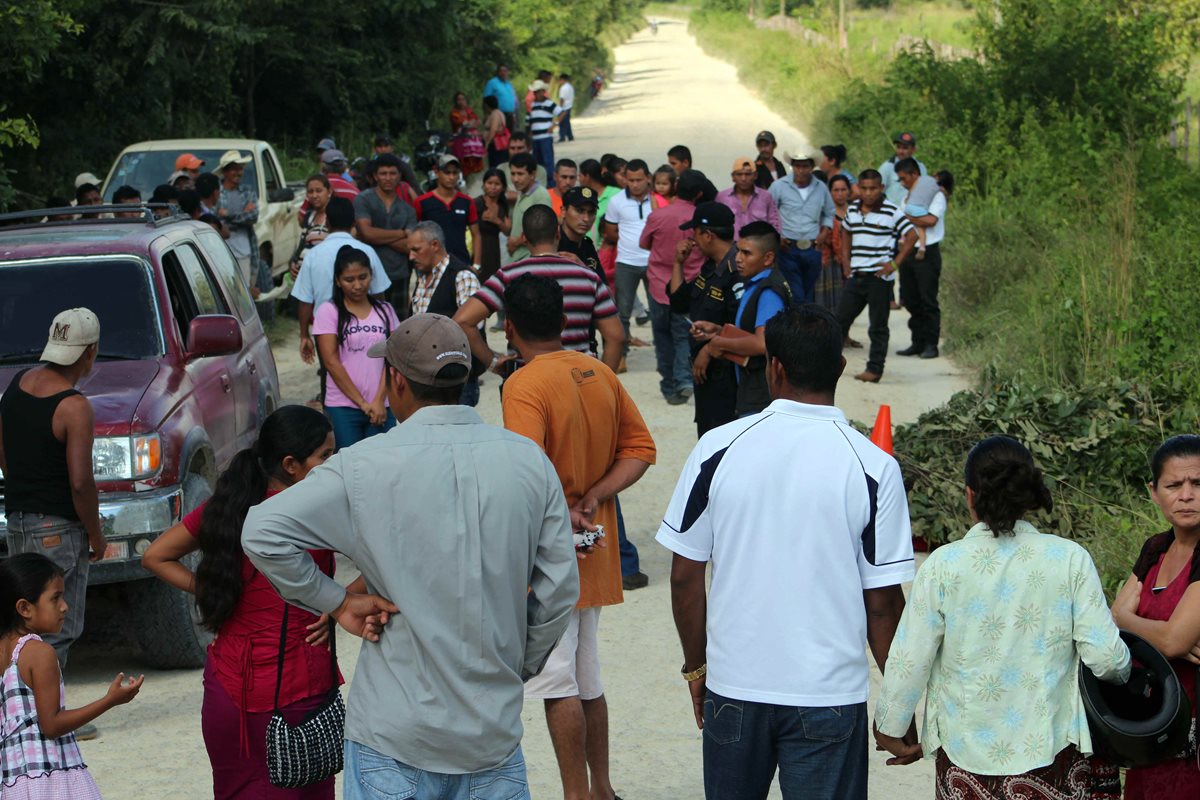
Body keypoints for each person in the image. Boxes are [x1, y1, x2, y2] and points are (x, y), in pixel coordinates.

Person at [241, 314, 580, 800]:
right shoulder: (527, 460)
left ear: (396, 379)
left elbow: (261, 530)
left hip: (395, 732)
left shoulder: (362, 464)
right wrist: (516, 663)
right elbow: (560, 589)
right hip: (491, 735)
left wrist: (335, 601)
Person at [659, 303, 916, 800]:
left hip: (733, 690)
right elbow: (883, 604)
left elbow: (684, 577)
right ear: (841, 368)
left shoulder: (717, 448)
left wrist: (698, 670)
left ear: (773, 367)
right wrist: (900, 706)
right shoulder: (872, 466)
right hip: (829, 698)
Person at [875, 435, 1132, 798]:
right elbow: (1106, 660)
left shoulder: (943, 566)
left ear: (969, 496)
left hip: (965, 760)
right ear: (1029, 493)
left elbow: (909, 659)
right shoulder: (1070, 559)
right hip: (1052, 753)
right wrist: (1127, 666)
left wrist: (890, 724)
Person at [140, 406, 350, 798]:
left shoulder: (229, 506)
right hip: (296, 693)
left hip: (228, 691)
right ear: (291, 464)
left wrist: (215, 590)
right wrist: (342, 603)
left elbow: (155, 556)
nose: (333, 463)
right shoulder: (315, 514)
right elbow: (391, 556)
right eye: (325, 455)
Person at [501, 273, 656, 800]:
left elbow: (526, 471)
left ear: (507, 327)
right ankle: (603, 789)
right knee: (586, 678)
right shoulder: (597, 370)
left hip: (552, 552)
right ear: (568, 322)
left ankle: (575, 794)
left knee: (555, 682)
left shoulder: (522, 384)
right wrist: (593, 496)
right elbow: (640, 449)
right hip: (596, 546)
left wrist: (564, 508)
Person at [0, 307, 104, 678]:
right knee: (58, 626)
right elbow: (80, 482)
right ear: (90, 351)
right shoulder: (74, 407)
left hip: (18, 522)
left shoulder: (16, 385)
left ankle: (17, 711)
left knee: (22, 623)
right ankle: (49, 717)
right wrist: (95, 533)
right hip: (58, 529)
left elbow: (5, 456)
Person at [0, 553, 143, 799]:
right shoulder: (39, 653)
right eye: (55, 598)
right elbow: (52, 725)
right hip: (48, 780)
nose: (65, 606)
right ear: (24, 608)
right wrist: (109, 700)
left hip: (12, 781)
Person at [1109, 434, 1200, 798]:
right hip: (1150, 731)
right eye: (1174, 485)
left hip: (1192, 743)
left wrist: (1129, 621)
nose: (1187, 495)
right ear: (1154, 491)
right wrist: (1160, 635)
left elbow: (1172, 640)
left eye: (1198, 483)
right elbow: (1114, 618)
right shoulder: (1156, 548)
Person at [454, 204, 625, 376]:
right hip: (579, 377)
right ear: (558, 233)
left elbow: (462, 321)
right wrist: (602, 380)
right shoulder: (588, 277)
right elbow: (616, 337)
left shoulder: (507, 276)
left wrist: (492, 361)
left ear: (524, 238)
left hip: (525, 378)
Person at [690, 221, 792, 417]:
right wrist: (719, 331)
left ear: (768, 257)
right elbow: (753, 332)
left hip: (761, 392)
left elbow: (762, 342)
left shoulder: (769, 291)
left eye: (746, 253)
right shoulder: (755, 283)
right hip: (750, 386)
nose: (738, 258)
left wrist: (715, 345)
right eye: (738, 251)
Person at [312, 247, 401, 448]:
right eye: (349, 280)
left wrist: (379, 400)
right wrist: (363, 404)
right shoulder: (329, 311)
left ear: (371, 275)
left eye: (363, 277)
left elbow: (394, 358)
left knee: (382, 466)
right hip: (343, 407)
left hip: (383, 405)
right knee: (349, 468)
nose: (358, 285)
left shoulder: (385, 311)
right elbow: (331, 362)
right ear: (337, 281)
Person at [836, 169, 917, 383]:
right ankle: (828, 365)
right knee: (839, 321)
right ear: (859, 189)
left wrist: (894, 263)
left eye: (873, 188)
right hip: (856, 275)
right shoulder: (852, 209)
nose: (868, 193)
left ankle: (874, 369)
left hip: (879, 278)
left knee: (878, 326)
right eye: (864, 188)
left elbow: (912, 235)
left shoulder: (891, 211)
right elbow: (846, 232)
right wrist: (846, 260)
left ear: (881, 188)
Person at [292, 198, 391, 372]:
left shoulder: (313, 255)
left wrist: (304, 335)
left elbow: (305, 300)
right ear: (354, 222)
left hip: (326, 330)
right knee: (366, 373)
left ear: (327, 222)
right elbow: (378, 294)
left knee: (331, 375)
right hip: (364, 327)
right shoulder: (367, 251)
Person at [670, 202, 741, 436]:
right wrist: (678, 263)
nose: (692, 240)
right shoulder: (711, 267)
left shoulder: (738, 270)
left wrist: (709, 348)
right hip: (706, 374)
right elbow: (680, 302)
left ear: (708, 235)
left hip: (728, 377)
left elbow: (744, 329)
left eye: (695, 234)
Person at [640, 170, 707, 405]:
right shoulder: (698, 218)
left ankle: (668, 384)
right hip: (687, 287)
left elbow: (643, 243)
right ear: (699, 193)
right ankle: (683, 380)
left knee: (661, 335)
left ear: (676, 186)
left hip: (658, 284)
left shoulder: (658, 215)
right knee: (682, 335)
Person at [409, 221, 482, 407]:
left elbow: (472, 327)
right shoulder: (422, 276)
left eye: (416, 250)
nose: (411, 256)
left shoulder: (462, 276)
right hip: (425, 379)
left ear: (435, 245)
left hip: (455, 383)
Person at [895, 161, 949, 360]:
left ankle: (931, 344)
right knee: (910, 298)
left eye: (904, 178)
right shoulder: (906, 197)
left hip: (927, 253)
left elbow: (930, 220)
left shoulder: (937, 195)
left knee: (928, 299)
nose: (902, 183)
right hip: (909, 250)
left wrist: (907, 218)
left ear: (915, 174)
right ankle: (917, 341)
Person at [354, 152, 417, 314]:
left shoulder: (407, 210)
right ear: (375, 176)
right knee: (371, 327)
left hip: (399, 274)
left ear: (399, 176)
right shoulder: (364, 200)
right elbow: (367, 234)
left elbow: (410, 247)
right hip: (368, 275)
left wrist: (374, 236)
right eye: (383, 173)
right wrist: (402, 233)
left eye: (392, 173)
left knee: (399, 329)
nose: (388, 178)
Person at [603, 159, 655, 356]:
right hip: (626, 262)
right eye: (630, 180)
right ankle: (621, 353)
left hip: (653, 263)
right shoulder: (616, 201)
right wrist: (631, 244)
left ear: (648, 178)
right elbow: (610, 232)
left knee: (658, 309)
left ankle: (663, 352)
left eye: (639, 180)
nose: (634, 184)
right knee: (622, 312)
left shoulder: (657, 199)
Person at [768, 150, 834, 301]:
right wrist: (778, 237)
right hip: (788, 248)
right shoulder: (779, 186)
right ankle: (797, 322)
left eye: (805, 166)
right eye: (797, 166)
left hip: (812, 247)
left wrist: (823, 234)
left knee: (809, 291)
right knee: (795, 292)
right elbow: (770, 213)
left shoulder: (821, 188)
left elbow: (829, 212)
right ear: (792, 167)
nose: (801, 170)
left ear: (811, 167)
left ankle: (805, 322)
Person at [414, 154, 481, 266]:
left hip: (461, 263)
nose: (451, 177)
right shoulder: (422, 202)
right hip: (431, 265)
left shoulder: (466, 202)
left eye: (455, 173)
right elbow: (414, 233)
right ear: (437, 172)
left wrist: (477, 265)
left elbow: (476, 234)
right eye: (447, 172)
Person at [215, 149, 259, 287]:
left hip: (243, 249)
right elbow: (215, 219)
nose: (238, 173)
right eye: (234, 169)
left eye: (240, 169)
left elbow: (253, 216)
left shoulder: (248, 191)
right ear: (225, 172)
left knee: (244, 290)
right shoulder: (217, 192)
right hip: (220, 248)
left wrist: (227, 215)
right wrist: (242, 213)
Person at [505, 153, 553, 263]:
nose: (515, 179)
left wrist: (515, 242)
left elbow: (543, 231)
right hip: (517, 258)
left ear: (533, 174)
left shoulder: (540, 196)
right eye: (513, 174)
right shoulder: (522, 193)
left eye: (520, 174)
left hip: (530, 259)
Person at [816, 173, 852, 320]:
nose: (840, 194)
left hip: (851, 259)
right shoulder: (825, 213)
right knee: (829, 298)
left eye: (843, 190)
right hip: (830, 262)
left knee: (848, 300)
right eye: (836, 190)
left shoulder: (854, 211)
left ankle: (844, 333)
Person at [716, 155, 781, 234]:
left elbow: (774, 224)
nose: (743, 178)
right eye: (739, 174)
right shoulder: (722, 197)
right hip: (730, 245)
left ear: (755, 175)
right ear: (733, 177)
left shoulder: (766, 197)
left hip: (759, 244)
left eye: (747, 174)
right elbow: (716, 225)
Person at [289, 174, 332, 281]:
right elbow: (302, 244)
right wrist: (293, 263)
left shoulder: (334, 216)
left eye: (319, 191)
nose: (314, 195)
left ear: (329, 192)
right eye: (310, 191)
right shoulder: (309, 216)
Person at [475, 168, 511, 282]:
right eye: (489, 183)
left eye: (497, 184)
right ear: (484, 184)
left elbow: (507, 230)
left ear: (503, 187)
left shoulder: (502, 205)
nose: (493, 187)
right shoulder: (477, 203)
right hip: (478, 249)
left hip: (494, 251)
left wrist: (496, 220)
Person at [878, 131, 927, 206]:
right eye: (898, 147)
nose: (901, 151)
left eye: (905, 148)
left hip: (914, 212)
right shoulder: (887, 167)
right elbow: (878, 191)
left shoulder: (920, 167)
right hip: (892, 212)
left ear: (913, 150)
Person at [527, 79, 562, 179]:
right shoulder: (533, 105)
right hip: (535, 138)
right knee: (537, 163)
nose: (538, 94)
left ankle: (551, 183)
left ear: (543, 91)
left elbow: (562, 113)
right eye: (536, 92)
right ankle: (541, 182)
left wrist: (554, 125)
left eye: (539, 91)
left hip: (545, 137)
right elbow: (531, 121)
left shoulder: (549, 103)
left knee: (548, 161)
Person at [484, 62, 519, 133]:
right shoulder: (492, 83)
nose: (503, 73)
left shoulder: (509, 84)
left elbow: (512, 99)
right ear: (497, 72)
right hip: (498, 115)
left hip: (510, 115)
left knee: (509, 136)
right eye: (501, 71)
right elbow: (486, 100)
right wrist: (487, 115)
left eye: (505, 71)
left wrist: (514, 114)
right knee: (498, 137)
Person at [482, 95, 510, 169]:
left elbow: (493, 130)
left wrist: (487, 143)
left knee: (496, 165)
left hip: (495, 145)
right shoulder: (497, 113)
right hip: (496, 146)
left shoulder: (495, 114)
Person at [557, 73, 575, 142]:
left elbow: (562, 98)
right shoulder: (570, 87)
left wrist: (560, 107)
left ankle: (562, 136)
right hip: (569, 105)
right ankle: (570, 136)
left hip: (564, 107)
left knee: (562, 122)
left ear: (562, 80)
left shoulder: (563, 88)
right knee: (567, 122)